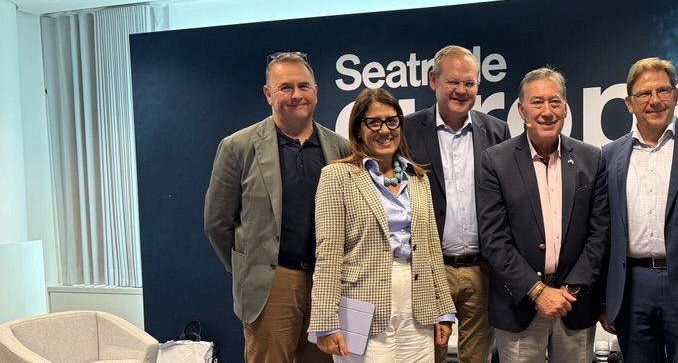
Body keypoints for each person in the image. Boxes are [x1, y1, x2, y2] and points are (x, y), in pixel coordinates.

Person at [205, 51, 351, 363]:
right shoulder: (238, 147)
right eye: (286, 87)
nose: (297, 95)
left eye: (304, 86)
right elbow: (217, 224)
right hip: (272, 285)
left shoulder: (340, 147)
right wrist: (250, 268)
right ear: (268, 93)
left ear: (316, 91)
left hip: (327, 284)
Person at [309, 88, 457, 363]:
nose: (385, 130)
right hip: (361, 307)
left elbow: (431, 249)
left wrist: (444, 310)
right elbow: (328, 254)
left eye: (391, 121)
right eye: (374, 122)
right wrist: (325, 322)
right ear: (358, 129)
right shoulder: (336, 177)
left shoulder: (418, 178)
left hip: (418, 306)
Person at [477, 67, 610, 363]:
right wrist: (537, 291)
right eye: (537, 102)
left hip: (574, 304)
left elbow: (600, 234)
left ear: (566, 108)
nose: (547, 111)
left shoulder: (592, 159)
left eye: (555, 102)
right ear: (521, 110)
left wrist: (569, 291)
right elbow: (493, 238)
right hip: (519, 306)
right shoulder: (495, 161)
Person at [602, 58, 678, 363]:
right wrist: (603, 299)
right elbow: (603, 230)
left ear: (676, 95)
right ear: (629, 103)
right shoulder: (609, 155)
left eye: (663, 91)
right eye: (644, 94)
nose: (654, 101)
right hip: (632, 286)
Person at [405, 45, 511, 363]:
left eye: (469, 83)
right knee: (429, 357)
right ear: (433, 80)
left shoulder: (497, 131)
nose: (461, 90)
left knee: (477, 358)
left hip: (482, 270)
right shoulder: (407, 130)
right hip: (430, 270)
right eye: (453, 82)